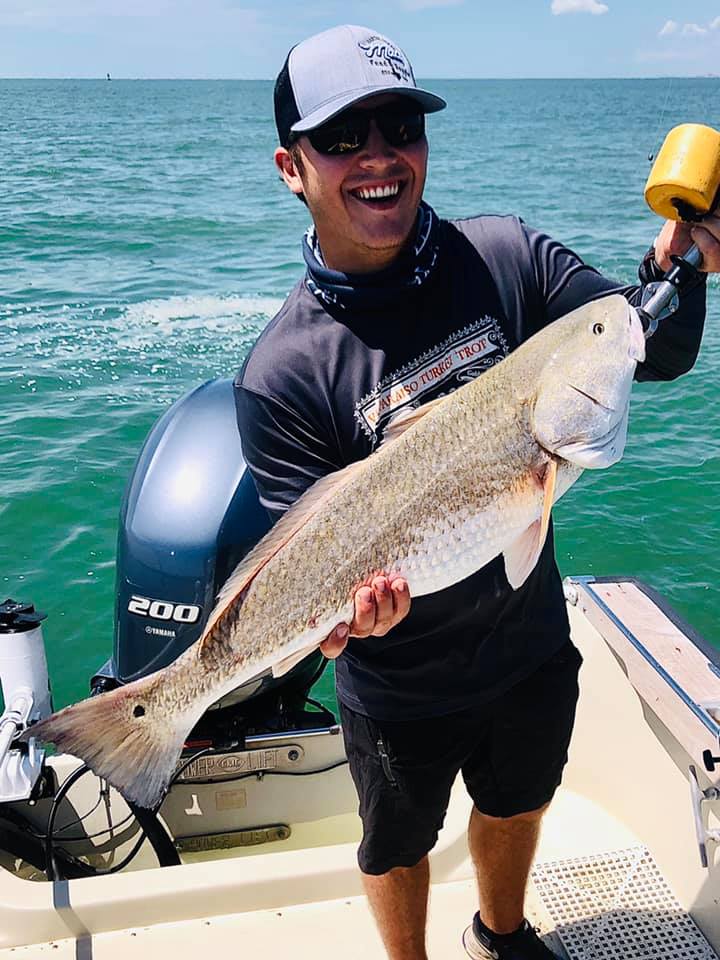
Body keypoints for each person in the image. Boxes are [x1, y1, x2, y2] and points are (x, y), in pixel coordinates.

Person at [234, 24, 720, 960]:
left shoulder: (507, 256)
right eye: (343, 138)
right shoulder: (282, 374)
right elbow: (301, 550)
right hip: (397, 682)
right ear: (292, 167)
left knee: (521, 796)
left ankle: (501, 934)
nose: (379, 157)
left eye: (400, 127)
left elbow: (642, 343)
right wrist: (344, 619)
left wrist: (682, 262)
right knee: (396, 842)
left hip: (528, 642)